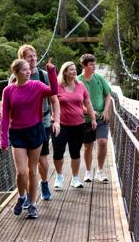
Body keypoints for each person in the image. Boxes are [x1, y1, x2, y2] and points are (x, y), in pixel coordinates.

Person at [0, 57, 58, 219]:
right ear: (16, 73)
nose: (29, 71)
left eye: (29, 69)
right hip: (17, 133)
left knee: (32, 170)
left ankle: (32, 205)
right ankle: (21, 197)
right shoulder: (8, 91)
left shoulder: (37, 86)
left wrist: (52, 71)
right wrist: (3, 138)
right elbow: (5, 116)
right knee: (21, 172)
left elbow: (54, 91)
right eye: (25, 69)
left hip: (35, 131)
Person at [13, 45, 60, 201]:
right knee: (24, 167)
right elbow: (9, 100)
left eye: (34, 56)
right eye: (29, 57)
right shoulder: (14, 78)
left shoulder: (42, 75)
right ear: (22, 59)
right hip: (22, 126)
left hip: (43, 122)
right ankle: (26, 196)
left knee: (42, 161)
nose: (33, 59)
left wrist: (57, 120)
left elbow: (54, 98)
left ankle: (44, 183)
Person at [52, 61, 97, 189]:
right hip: (60, 124)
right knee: (58, 152)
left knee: (75, 152)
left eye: (74, 69)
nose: (74, 71)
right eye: (71, 69)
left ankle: (75, 178)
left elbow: (88, 103)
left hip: (78, 124)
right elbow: (51, 100)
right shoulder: (58, 86)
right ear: (65, 72)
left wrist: (93, 119)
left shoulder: (80, 85)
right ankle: (59, 176)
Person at [78, 54, 112, 183]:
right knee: (88, 146)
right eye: (91, 65)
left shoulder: (99, 78)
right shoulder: (78, 81)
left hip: (101, 118)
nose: (94, 67)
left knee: (103, 142)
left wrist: (106, 110)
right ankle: (88, 172)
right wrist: (90, 112)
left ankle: (100, 171)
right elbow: (77, 102)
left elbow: (108, 95)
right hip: (85, 119)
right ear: (84, 66)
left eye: (94, 64)